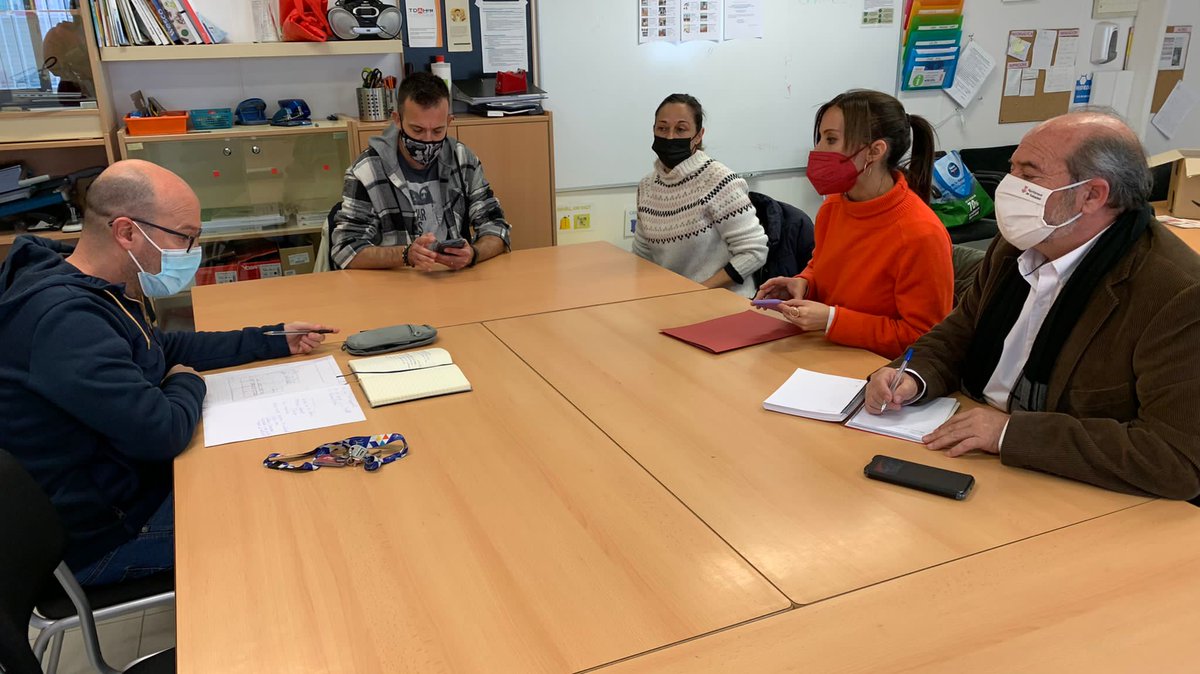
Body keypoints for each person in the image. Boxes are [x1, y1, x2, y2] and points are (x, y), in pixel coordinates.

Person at [0, 160, 336, 585]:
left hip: (124, 492)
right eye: (184, 238)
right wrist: (186, 381)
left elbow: (160, 349)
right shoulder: (64, 323)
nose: (193, 251)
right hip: (104, 536)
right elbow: (163, 431)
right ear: (126, 232)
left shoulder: (93, 283)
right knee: (287, 514)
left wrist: (269, 339)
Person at [865, 111, 1200, 500]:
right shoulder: (1020, 245)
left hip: (1071, 492)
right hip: (970, 453)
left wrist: (1008, 433)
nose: (1009, 187)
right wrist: (911, 376)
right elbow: (959, 333)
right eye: (1012, 171)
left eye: (1029, 175)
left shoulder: (1177, 293)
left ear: (1092, 195)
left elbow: (1176, 457)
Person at [755, 89, 953, 359]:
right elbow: (824, 267)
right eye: (821, 138)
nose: (818, 151)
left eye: (831, 140)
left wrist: (832, 320)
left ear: (875, 151)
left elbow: (923, 338)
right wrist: (804, 283)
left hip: (879, 372)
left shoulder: (920, 233)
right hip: (824, 350)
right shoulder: (833, 207)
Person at [331, 72, 511, 272]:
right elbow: (345, 250)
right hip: (395, 285)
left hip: (453, 280)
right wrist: (405, 255)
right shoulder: (367, 170)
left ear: (449, 122)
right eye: (417, 130)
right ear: (397, 120)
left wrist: (473, 254)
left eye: (437, 131)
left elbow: (496, 227)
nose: (427, 140)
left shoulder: (462, 159)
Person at [634, 93, 768, 298]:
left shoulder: (720, 181)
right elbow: (642, 256)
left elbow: (754, 253)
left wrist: (697, 291)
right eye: (662, 128)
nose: (670, 137)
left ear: (698, 135)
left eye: (681, 129)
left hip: (722, 302)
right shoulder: (647, 187)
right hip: (670, 299)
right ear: (653, 131)